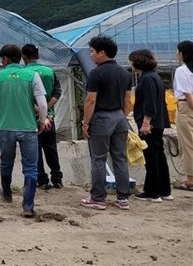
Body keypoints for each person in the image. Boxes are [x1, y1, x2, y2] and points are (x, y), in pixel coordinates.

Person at [0, 44, 48, 217]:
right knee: (30, 168)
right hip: (28, 128)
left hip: (6, 128)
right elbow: (42, 104)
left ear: (6, 59)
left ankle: (6, 193)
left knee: (6, 162)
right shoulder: (32, 75)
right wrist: (42, 121)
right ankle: (28, 205)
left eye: (1, 59)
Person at [80, 36, 133, 211]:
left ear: (102, 53)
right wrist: (121, 116)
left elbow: (90, 100)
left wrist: (86, 122)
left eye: (93, 51)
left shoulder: (96, 73)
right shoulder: (125, 73)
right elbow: (128, 101)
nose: (91, 55)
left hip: (102, 118)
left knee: (98, 158)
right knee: (120, 158)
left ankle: (98, 198)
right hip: (119, 117)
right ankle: (123, 198)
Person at [128, 49, 172, 202]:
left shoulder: (147, 79)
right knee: (159, 155)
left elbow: (150, 102)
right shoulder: (154, 77)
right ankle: (164, 190)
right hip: (158, 122)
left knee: (151, 156)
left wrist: (146, 123)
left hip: (150, 124)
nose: (130, 64)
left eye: (132, 61)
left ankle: (152, 192)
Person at [22, 44, 63, 190]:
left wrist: (38, 110)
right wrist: (46, 109)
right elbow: (57, 92)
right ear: (38, 56)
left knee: (36, 149)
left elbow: (24, 96)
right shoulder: (49, 71)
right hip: (49, 118)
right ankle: (57, 178)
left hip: (30, 118)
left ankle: (42, 180)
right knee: (51, 148)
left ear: (24, 57)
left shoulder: (23, 73)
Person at [173, 40, 193, 192]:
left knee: (187, 144)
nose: (176, 54)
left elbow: (187, 94)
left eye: (178, 51)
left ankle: (190, 180)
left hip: (187, 107)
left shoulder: (182, 70)